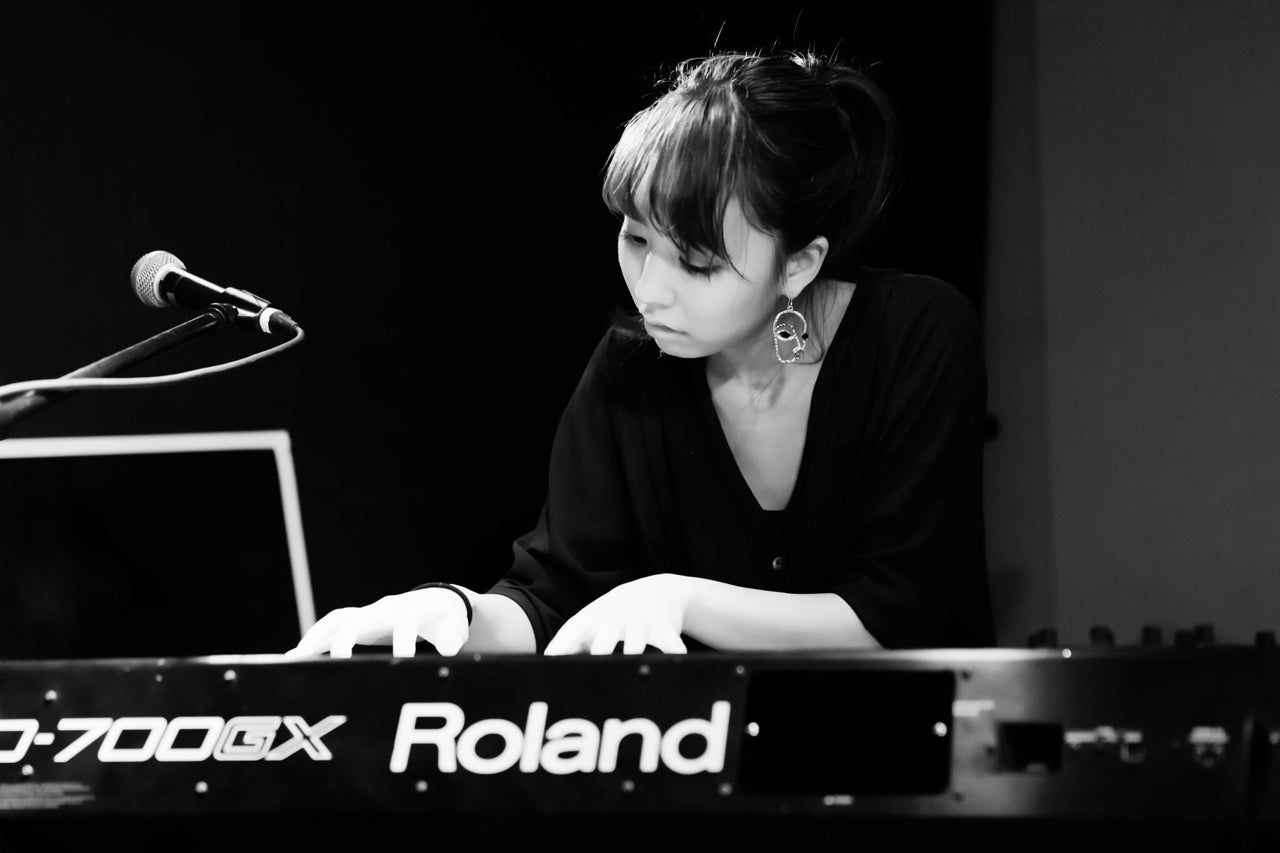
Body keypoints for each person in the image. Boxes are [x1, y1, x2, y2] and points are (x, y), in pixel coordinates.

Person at [287, 48, 995, 660]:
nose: (651, 290)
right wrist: (454, 611)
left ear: (799, 265)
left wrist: (681, 600)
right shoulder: (630, 367)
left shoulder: (917, 333)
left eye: (696, 262)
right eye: (635, 239)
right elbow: (552, 596)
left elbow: (898, 613)